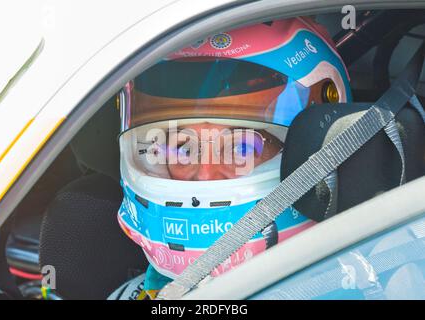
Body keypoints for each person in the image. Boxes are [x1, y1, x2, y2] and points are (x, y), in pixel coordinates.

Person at [109, 16, 352, 300]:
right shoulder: (134, 294)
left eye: (242, 149)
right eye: (183, 149)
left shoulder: (378, 279)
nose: (205, 175)